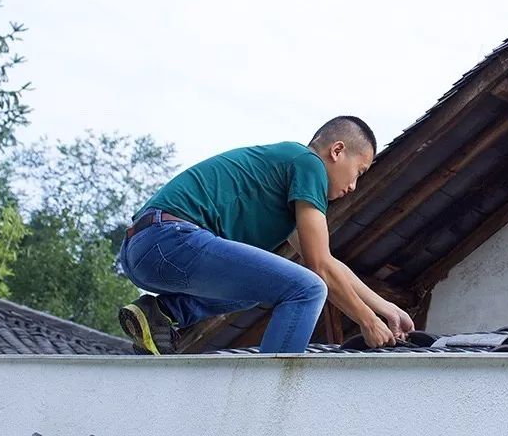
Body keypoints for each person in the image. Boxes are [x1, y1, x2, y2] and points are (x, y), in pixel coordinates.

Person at [117, 116, 414, 354]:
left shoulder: (288, 189)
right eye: (359, 172)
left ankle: (160, 312)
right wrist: (367, 321)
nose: (353, 187)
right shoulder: (308, 163)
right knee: (308, 289)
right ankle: (270, 398)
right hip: (169, 239)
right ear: (337, 151)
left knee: (266, 285)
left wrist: (386, 308)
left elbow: (329, 264)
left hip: (145, 248)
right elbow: (319, 267)